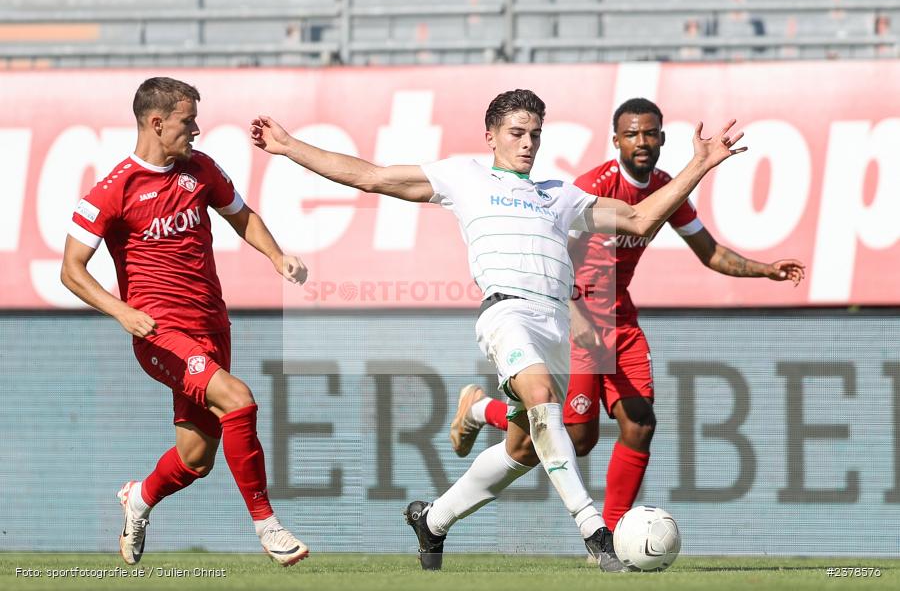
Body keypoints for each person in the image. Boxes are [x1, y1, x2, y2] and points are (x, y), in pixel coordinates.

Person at [249, 89, 745, 571]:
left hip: (554, 323)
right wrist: (289, 146)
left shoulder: (559, 195)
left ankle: (433, 520)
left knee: (523, 449)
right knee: (540, 396)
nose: (527, 143)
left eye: (535, 134)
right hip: (506, 313)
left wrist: (700, 164)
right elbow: (371, 176)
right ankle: (595, 531)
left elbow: (638, 218)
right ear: (490, 135)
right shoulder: (464, 176)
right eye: (516, 133)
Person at [449, 97, 805, 568]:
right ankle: (480, 409)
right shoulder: (593, 186)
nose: (642, 141)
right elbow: (547, 253)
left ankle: (614, 538)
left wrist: (765, 270)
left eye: (650, 133)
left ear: (662, 139)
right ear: (616, 140)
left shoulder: (663, 189)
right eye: (632, 134)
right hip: (576, 313)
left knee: (640, 423)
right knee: (577, 438)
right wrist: (573, 313)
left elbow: (710, 252)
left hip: (621, 320)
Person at [61, 77, 310, 567]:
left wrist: (277, 256)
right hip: (159, 334)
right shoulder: (114, 190)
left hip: (212, 327)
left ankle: (139, 498)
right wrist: (122, 311)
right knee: (238, 398)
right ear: (157, 123)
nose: (196, 130)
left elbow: (241, 216)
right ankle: (268, 525)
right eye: (187, 120)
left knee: (196, 459)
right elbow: (71, 270)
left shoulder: (201, 169)